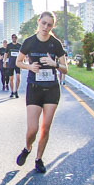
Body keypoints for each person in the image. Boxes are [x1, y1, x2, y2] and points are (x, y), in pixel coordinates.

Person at [14, 11, 67, 174]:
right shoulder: (29, 42)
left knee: (45, 126)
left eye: (49, 25)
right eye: (43, 23)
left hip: (51, 89)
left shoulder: (55, 44)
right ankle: (27, 148)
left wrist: (55, 63)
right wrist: (29, 67)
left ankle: (38, 159)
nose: (45, 27)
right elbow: (18, 61)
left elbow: (66, 68)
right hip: (34, 89)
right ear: (38, 22)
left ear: (52, 26)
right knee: (33, 129)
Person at [5, 33, 22, 98]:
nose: (14, 39)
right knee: (11, 78)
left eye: (15, 37)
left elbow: (22, 54)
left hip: (17, 64)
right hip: (11, 64)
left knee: (18, 78)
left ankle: (16, 91)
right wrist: (4, 62)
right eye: (13, 37)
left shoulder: (19, 45)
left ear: (17, 38)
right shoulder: (9, 45)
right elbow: (6, 54)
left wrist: (22, 62)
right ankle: (12, 91)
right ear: (11, 38)